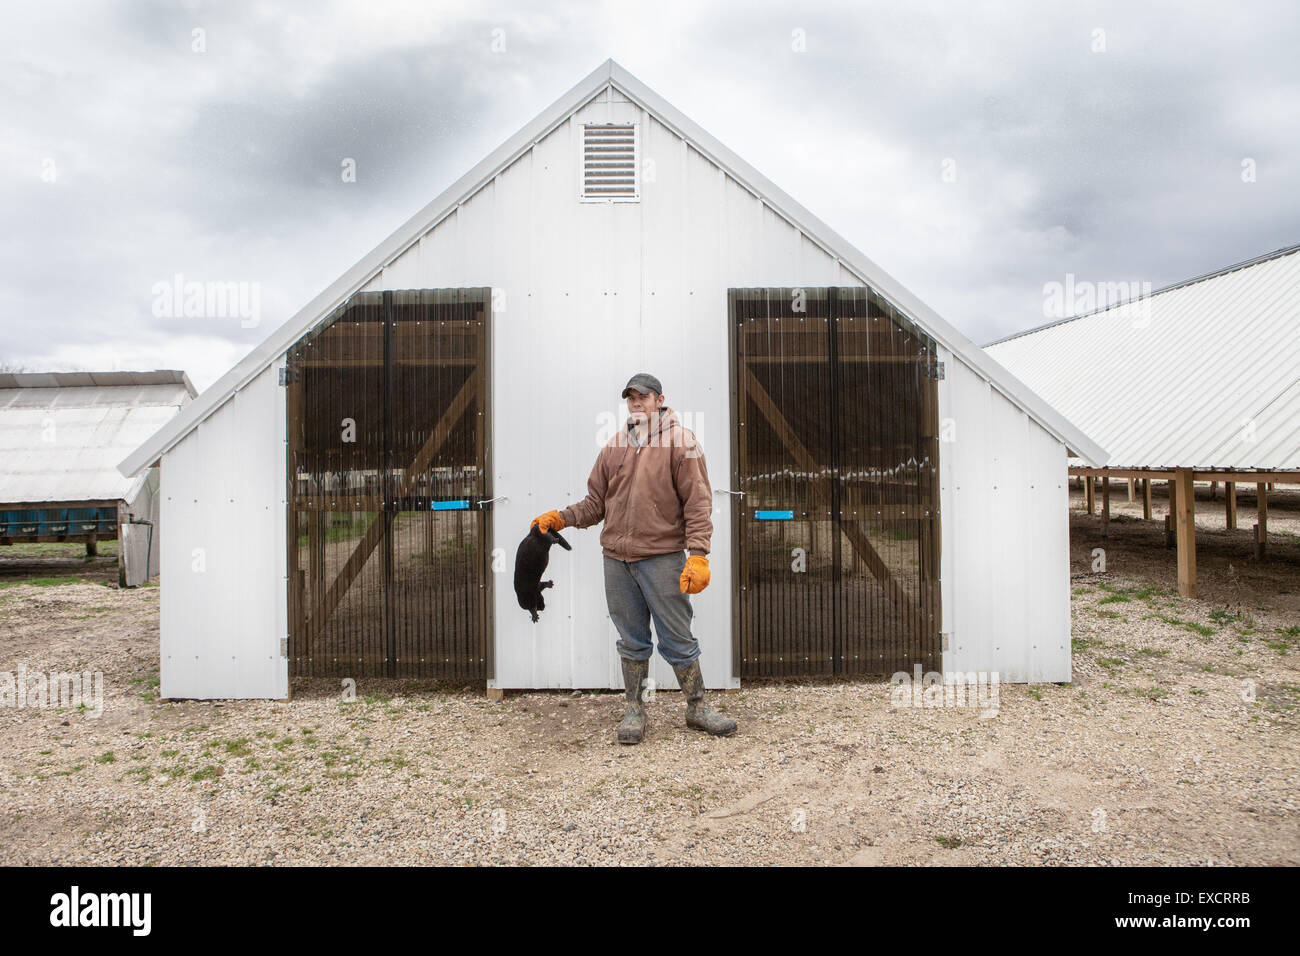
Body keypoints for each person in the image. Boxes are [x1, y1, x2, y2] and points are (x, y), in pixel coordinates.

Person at [530, 372, 738, 744]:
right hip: (617, 560)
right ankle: (635, 710)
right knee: (631, 640)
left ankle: (697, 706)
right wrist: (561, 517)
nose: (636, 403)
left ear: (660, 400)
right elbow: (596, 503)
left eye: (643, 397)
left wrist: (699, 555)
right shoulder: (613, 446)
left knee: (677, 636)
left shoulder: (683, 442)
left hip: (661, 558)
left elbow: (698, 503)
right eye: (630, 398)